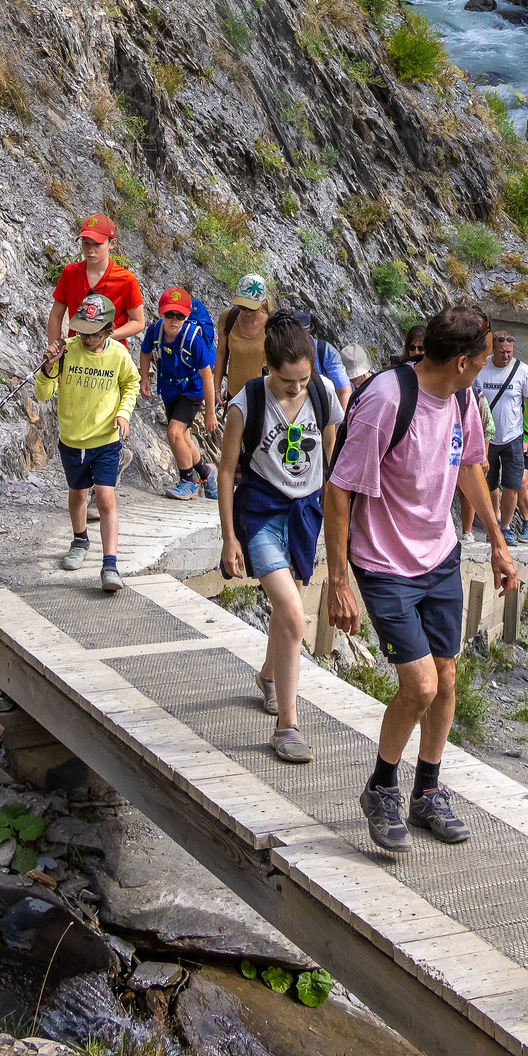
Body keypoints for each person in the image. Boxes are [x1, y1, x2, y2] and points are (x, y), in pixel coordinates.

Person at [324, 305, 516, 855]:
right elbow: (339, 490)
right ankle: (382, 788)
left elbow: (471, 466)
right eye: (481, 360)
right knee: (421, 685)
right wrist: (339, 580)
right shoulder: (386, 401)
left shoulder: (462, 399)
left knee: (447, 679)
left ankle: (426, 790)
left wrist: (499, 547)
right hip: (385, 563)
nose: (485, 367)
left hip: (441, 557)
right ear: (461, 361)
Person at [218, 313, 339, 764]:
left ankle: (269, 676)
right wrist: (229, 537)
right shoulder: (244, 405)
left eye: (304, 380)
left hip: (305, 513)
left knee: (287, 613)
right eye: (288, 381)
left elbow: (330, 460)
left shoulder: (323, 395)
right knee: (292, 612)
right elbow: (227, 472)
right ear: (268, 366)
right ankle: (287, 725)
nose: (296, 389)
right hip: (261, 514)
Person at [37, 290, 140, 592]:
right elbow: (43, 393)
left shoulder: (118, 354)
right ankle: (80, 540)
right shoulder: (66, 350)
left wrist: (123, 413)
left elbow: (131, 383)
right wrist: (47, 367)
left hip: (105, 439)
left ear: (108, 330)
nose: (85, 339)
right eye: (81, 331)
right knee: (78, 495)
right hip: (71, 439)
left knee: (105, 498)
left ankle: (110, 565)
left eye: (93, 334)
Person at [140, 287, 219, 501]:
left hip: (193, 389)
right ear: (161, 313)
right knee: (183, 436)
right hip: (169, 387)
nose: (174, 320)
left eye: (180, 316)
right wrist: (144, 377)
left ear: (186, 316)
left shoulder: (194, 340)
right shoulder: (154, 331)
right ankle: (206, 473)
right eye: (169, 314)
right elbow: (145, 351)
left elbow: (207, 377)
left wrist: (210, 412)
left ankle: (188, 481)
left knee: (174, 433)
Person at [47, 216, 145, 359]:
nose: (90, 250)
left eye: (97, 244)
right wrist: (54, 350)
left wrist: (103, 337)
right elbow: (56, 315)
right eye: (86, 243)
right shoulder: (69, 273)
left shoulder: (126, 279)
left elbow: (138, 322)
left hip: (111, 356)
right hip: (76, 354)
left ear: (112, 244)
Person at [473, 330, 528, 536]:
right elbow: (471, 401)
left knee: (513, 484)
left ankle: (506, 527)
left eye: (509, 352)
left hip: (513, 436)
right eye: (501, 352)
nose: (506, 356)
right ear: (493, 350)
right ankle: (494, 519)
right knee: (489, 483)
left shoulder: (522, 370)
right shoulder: (482, 368)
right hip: (486, 438)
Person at [217, 273, 271, 402]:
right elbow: (221, 353)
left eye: (252, 308)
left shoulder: (272, 325)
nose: (246, 312)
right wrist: (217, 389)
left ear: (263, 302)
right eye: (242, 307)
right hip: (235, 395)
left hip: (264, 397)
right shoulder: (228, 318)